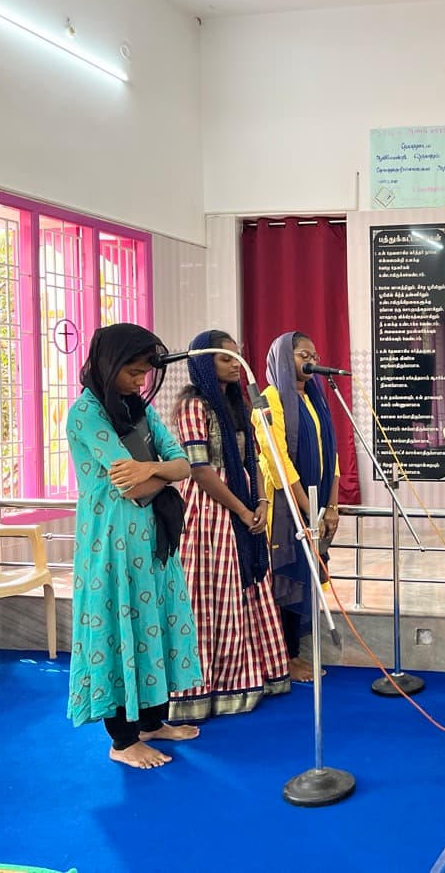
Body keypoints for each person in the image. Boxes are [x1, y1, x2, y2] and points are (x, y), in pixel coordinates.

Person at [66, 323, 203, 769]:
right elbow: (129, 483)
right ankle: (123, 741)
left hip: (153, 545)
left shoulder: (140, 410)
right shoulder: (86, 413)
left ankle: (151, 723)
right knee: (118, 632)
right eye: (132, 371)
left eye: (145, 373)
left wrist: (151, 469)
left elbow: (185, 465)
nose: (140, 381)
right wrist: (156, 470)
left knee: (152, 628)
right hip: (112, 547)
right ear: (109, 364)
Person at [168, 330, 290, 722]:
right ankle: (208, 686)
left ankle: (250, 674)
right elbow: (200, 470)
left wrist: (261, 502)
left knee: (247, 589)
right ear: (204, 363)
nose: (236, 365)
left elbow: (253, 458)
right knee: (212, 595)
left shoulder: (238, 404)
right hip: (211, 511)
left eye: (238, 357)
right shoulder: (194, 405)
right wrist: (240, 509)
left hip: (245, 499)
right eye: (226, 358)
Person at [255, 331, 342, 682]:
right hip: (285, 507)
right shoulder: (269, 400)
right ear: (282, 359)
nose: (311, 360)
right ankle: (286, 658)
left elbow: (331, 454)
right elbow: (278, 461)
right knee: (287, 577)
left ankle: (293, 654)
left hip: (316, 506)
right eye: (303, 354)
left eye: (314, 355)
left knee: (307, 575)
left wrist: (332, 505)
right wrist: (309, 509)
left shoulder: (316, 398)